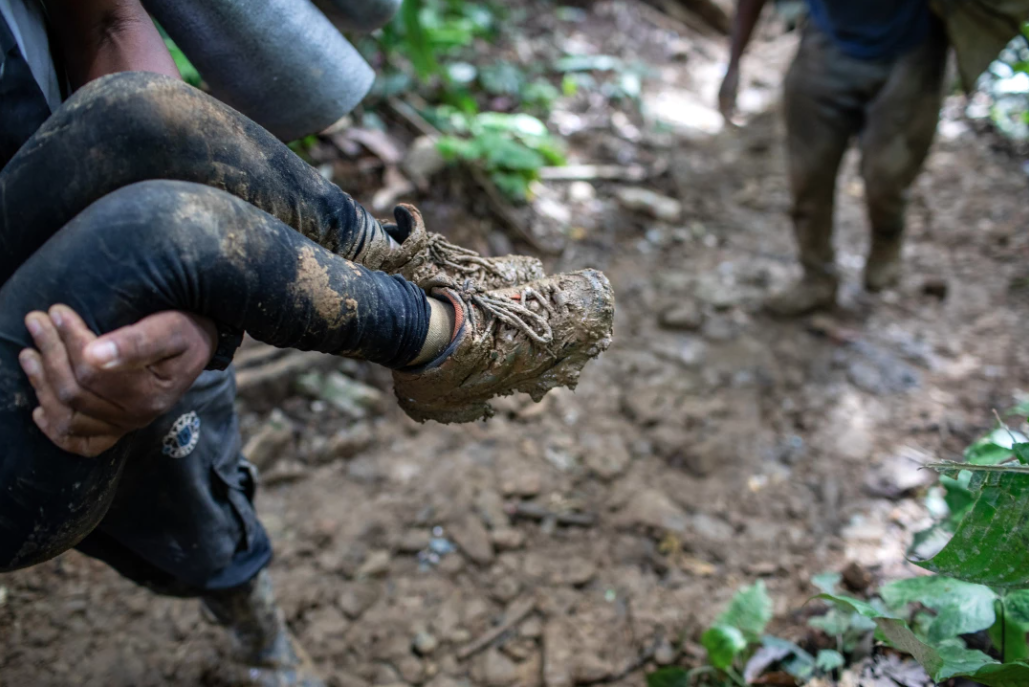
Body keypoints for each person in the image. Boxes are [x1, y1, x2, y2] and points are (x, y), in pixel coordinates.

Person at [0, 3, 614, 686]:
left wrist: (202, 306)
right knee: (159, 234)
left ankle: (410, 270)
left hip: (56, 232)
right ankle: (440, 337)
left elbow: (108, 22)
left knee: (141, 114)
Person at [719, 0, 949, 315]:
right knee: (808, 175)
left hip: (914, 49)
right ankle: (817, 277)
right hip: (826, 42)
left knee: (888, 176)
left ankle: (886, 239)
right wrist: (734, 62)